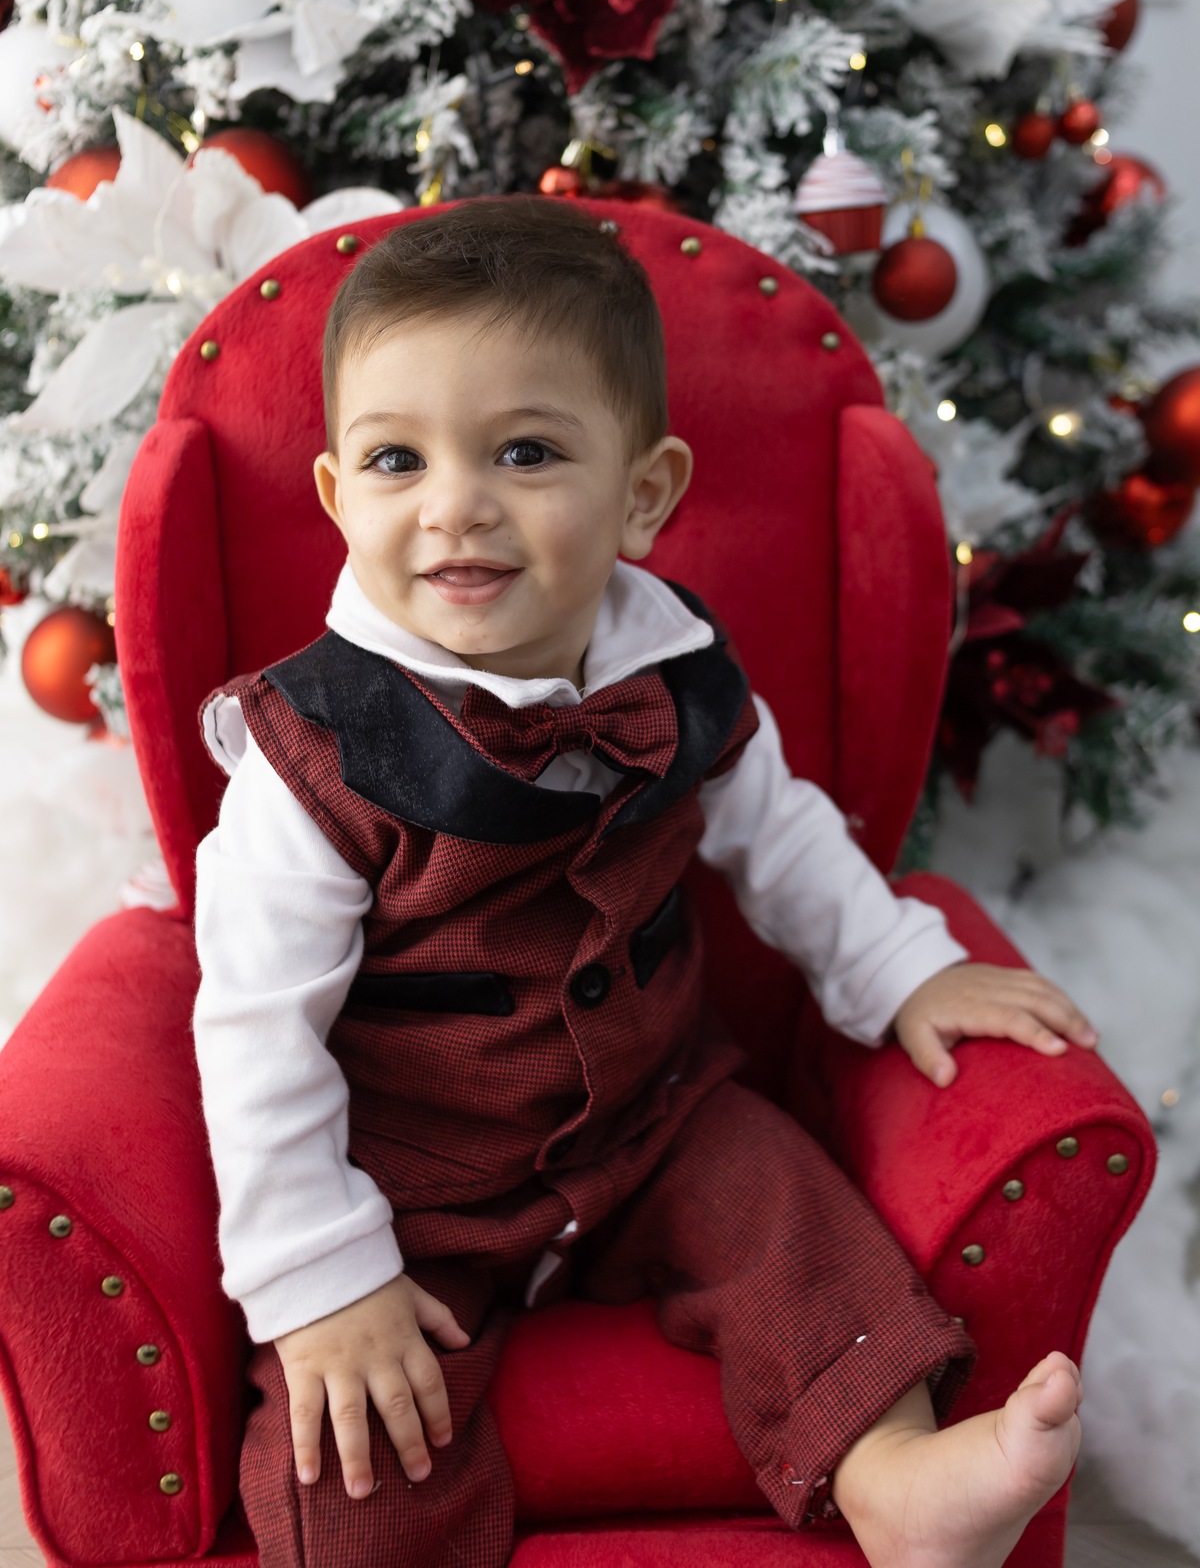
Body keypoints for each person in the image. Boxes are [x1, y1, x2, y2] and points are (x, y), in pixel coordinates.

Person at [193, 197, 1097, 1568]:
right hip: (412, 1190)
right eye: (396, 459)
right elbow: (255, 1029)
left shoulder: (676, 674)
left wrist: (901, 967)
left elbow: (783, 837)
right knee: (352, 1455)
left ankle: (896, 1476)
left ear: (644, 493)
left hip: (652, 1123)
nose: (456, 506)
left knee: (791, 1214)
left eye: (528, 451)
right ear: (336, 495)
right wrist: (319, 1278)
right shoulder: (311, 755)